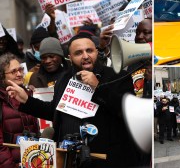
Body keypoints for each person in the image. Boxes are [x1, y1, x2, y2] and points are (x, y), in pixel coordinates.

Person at [6, 35, 143, 167]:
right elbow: (55, 111)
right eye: (78, 53)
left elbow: (127, 112)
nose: (85, 56)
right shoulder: (64, 79)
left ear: (96, 51)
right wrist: (27, 100)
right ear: (70, 58)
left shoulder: (117, 76)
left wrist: (98, 87)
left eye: (89, 50)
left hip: (107, 159)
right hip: (70, 158)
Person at [0, 53, 39, 168]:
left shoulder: (29, 95)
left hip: (35, 160)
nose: (19, 74)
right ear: (2, 76)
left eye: (20, 70)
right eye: (13, 72)